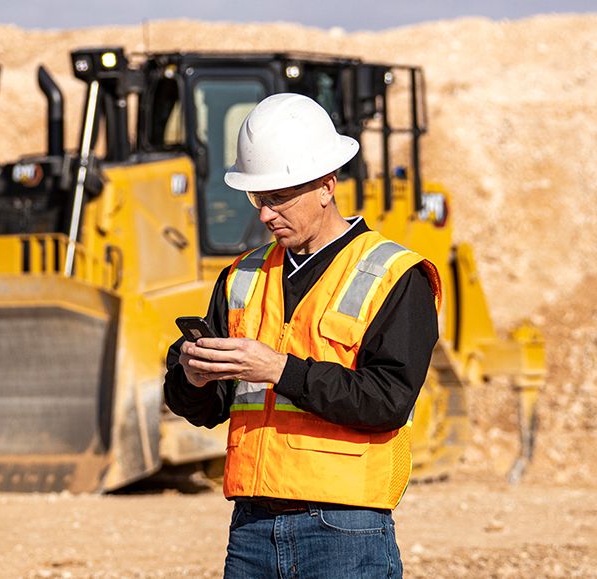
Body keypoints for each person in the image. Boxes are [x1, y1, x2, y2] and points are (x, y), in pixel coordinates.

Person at [163, 93, 441, 578]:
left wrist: (277, 369)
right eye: (258, 199)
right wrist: (193, 377)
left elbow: (387, 401)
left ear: (326, 186)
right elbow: (209, 410)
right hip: (251, 528)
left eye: (279, 198)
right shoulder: (241, 277)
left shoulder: (394, 274)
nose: (267, 215)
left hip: (344, 528)